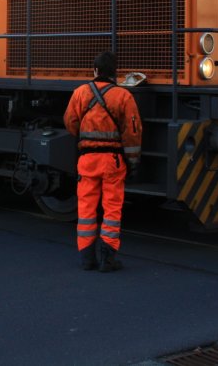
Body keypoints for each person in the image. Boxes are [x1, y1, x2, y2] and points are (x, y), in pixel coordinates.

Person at [63, 51, 142, 273]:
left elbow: (70, 122)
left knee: (86, 208)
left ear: (95, 70)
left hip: (87, 160)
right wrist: (133, 161)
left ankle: (87, 258)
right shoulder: (124, 97)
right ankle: (107, 260)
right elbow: (133, 132)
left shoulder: (80, 93)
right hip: (113, 161)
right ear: (115, 72)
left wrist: (86, 136)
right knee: (112, 209)